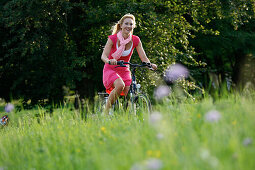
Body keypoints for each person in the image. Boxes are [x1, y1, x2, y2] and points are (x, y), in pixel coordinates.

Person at [101, 14, 157, 114]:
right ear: (121, 25)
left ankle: (126, 115)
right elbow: (103, 56)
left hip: (124, 69)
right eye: (126, 23)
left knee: (128, 92)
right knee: (120, 85)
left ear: (133, 26)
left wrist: (150, 64)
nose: (129, 26)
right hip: (111, 68)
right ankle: (105, 112)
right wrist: (109, 60)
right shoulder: (113, 39)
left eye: (131, 24)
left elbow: (143, 57)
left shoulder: (136, 40)